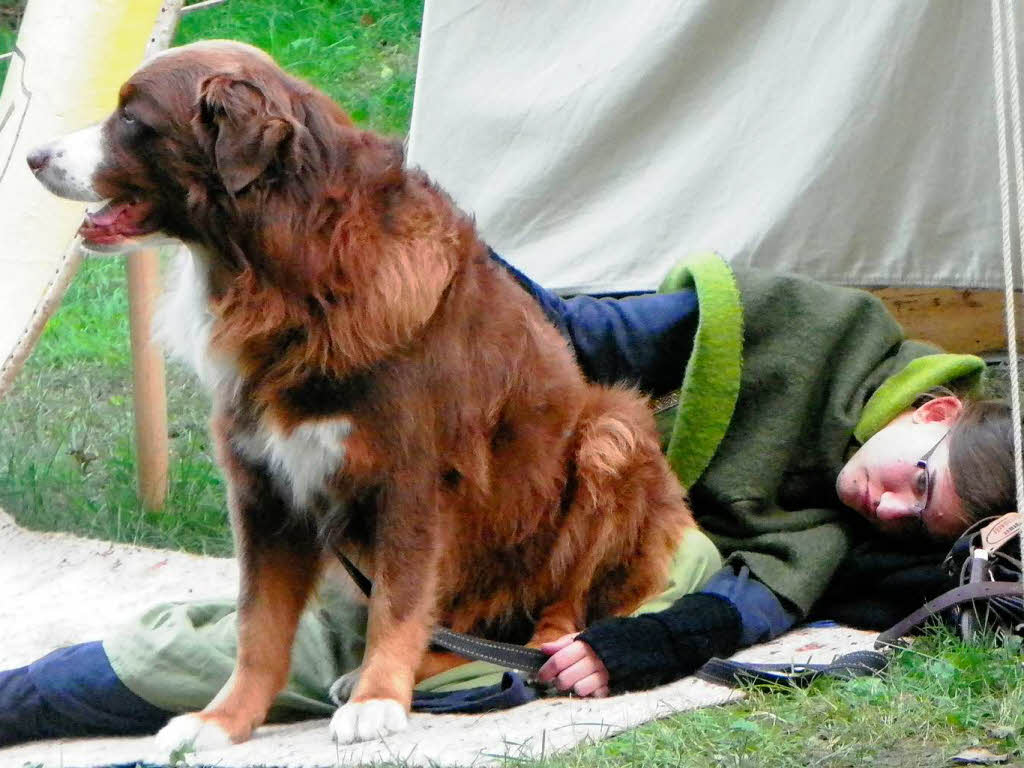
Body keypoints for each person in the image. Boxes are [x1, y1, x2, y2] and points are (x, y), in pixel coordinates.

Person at [0, 251, 1014, 747]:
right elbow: (573, 336)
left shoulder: (871, 525)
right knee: (315, 640)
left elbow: (791, 593)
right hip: (481, 481)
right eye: (908, 482)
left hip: (604, 566)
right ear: (931, 410)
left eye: (911, 520)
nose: (883, 507)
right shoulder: (810, 330)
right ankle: (34, 698)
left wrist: (652, 640)